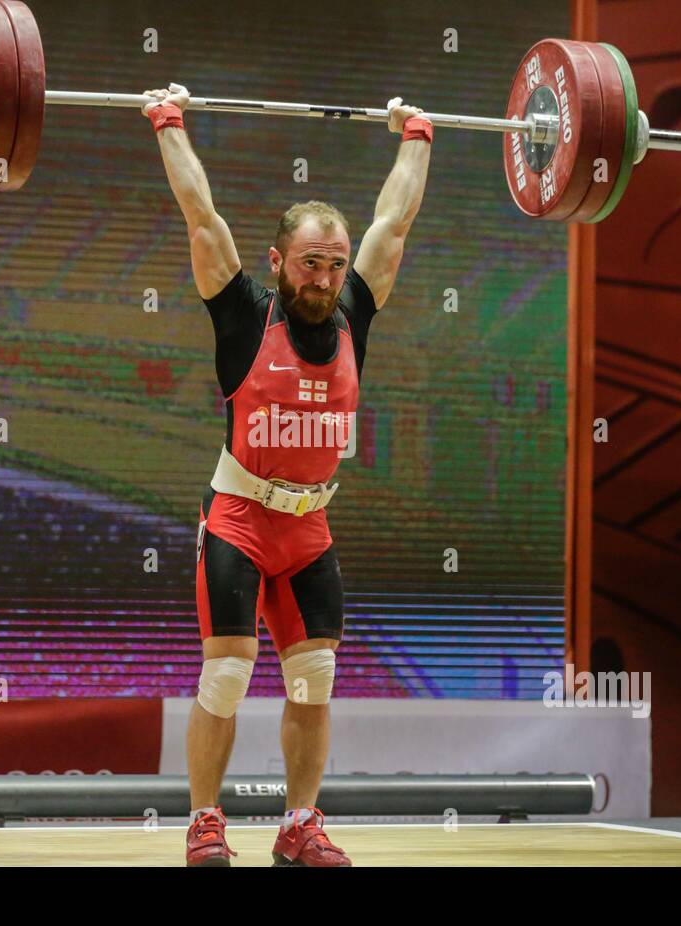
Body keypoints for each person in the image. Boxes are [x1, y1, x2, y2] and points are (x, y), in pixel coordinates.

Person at [142, 83, 430, 865]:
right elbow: (202, 214)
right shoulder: (242, 311)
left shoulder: (354, 316)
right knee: (226, 679)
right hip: (237, 519)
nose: (326, 277)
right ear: (279, 262)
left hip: (308, 529)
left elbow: (394, 220)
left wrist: (418, 134)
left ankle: (300, 824)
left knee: (314, 682)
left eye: (335, 266)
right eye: (310, 263)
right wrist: (169, 122)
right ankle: (206, 821)